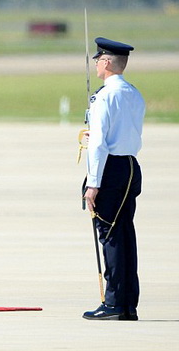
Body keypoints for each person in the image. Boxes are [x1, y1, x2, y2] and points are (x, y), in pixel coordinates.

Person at [82, 37, 145, 321]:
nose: (96, 63)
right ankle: (128, 303)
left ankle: (114, 303)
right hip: (131, 165)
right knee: (125, 235)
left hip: (110, 170)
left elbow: (99, 146)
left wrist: (93, 184)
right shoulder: (133, 92)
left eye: (98, 59)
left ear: (107, 62)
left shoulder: (104, 96)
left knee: (110, 236)